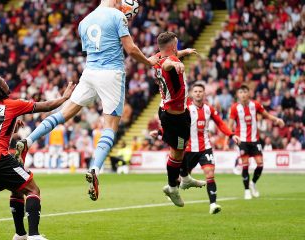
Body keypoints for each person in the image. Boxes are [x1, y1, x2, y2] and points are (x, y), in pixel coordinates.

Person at [14, 0, 159, 201]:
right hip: (111, 73)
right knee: (110, 126)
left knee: (64, 114)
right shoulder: (116, 16)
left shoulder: (84, 21)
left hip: (90, 72)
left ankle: (28, 140)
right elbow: (131, 49)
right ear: (117, 2)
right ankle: (94, 169)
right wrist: (149, 62)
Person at [0, 74, 74, 240]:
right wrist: (64, 97)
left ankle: (20, 234)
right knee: (33, 189)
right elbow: (47, 106)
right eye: (2, 81)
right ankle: (34, 235)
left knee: (17, 190)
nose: (6, 82)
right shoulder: (12, 104)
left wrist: (13, 124)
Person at [150, 31, 205, 207]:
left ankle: (186, 177)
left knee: (182, 147)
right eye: (177, 45)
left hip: (173, 110)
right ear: (173, 46)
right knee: (178, 152)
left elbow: (167, 58)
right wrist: (176, 63)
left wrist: (184, 52)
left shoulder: (157, 57)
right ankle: (173, 187)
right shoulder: (169, 62)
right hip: (175, 117)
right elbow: (168, 63)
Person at [180, 83, 240, 214]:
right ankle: (172, 189)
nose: (198, 93)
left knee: (210, 174)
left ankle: (213, 204)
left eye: (200, 91)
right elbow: (175, 124)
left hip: (205, 148)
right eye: (195, 91)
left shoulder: (209, 109)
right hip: (189, 149)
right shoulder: (187, 109)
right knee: (181, 178)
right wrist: (161, 131)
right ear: (191, 94)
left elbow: (220, 123)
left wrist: (231, 135)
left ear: (204, 94)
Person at [228, 85, 284, 200]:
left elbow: (267, 115)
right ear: (238, 95)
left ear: (249, 93)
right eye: (241, 92)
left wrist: (277, 120)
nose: (243, 94)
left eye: (245, 92)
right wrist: (228, 138)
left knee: (260, 164)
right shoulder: (235, 108)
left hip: (254, 140)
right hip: (242, 140)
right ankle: (247, 190)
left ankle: (253, 183)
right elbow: (229, 125)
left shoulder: (255, 105)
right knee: (245, 165)